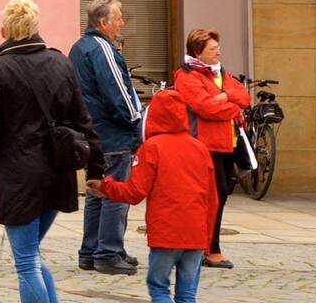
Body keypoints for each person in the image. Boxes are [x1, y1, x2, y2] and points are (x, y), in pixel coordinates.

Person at [0, 0, 103, 303]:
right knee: (31, 255)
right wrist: (96, 168)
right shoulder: (60, 62)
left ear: (4, 31)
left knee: (26, 262)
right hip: (57, 170)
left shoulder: (0, 68)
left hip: (19, 174)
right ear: (35, 27)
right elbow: (83, 118)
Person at [90, 89, 219, 303]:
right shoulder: (200, 148)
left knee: (159, 288)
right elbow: (212, 199)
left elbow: (134, 193)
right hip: (196, 233)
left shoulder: (151, 148)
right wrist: (207, 238)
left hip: (166, 233)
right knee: (187, 295)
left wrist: (105, 186)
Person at [71, 0, 144, 275]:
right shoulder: (103, 48)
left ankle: (91, 251)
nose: (122, 22)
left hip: (91, 130)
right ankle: (108, 252)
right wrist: (135, 121)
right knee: (115, 193)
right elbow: (118, 93)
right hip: (110, 132)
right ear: (103, 22)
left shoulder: (80, 47)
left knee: (96, 191)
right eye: (118, 18)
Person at [170, 29, 249, 269]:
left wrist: (225, 97)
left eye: (217, 48)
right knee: (211, 196)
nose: (218, 52)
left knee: (220, 196)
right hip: (204, 146)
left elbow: (244, 96)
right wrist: (233, 107)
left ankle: (207, 247)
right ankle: (208, 249)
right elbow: (204, 107)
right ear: (198, 52)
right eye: (213, 49)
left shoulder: (220, 72)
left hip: (226, 145)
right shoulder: (187, 76)